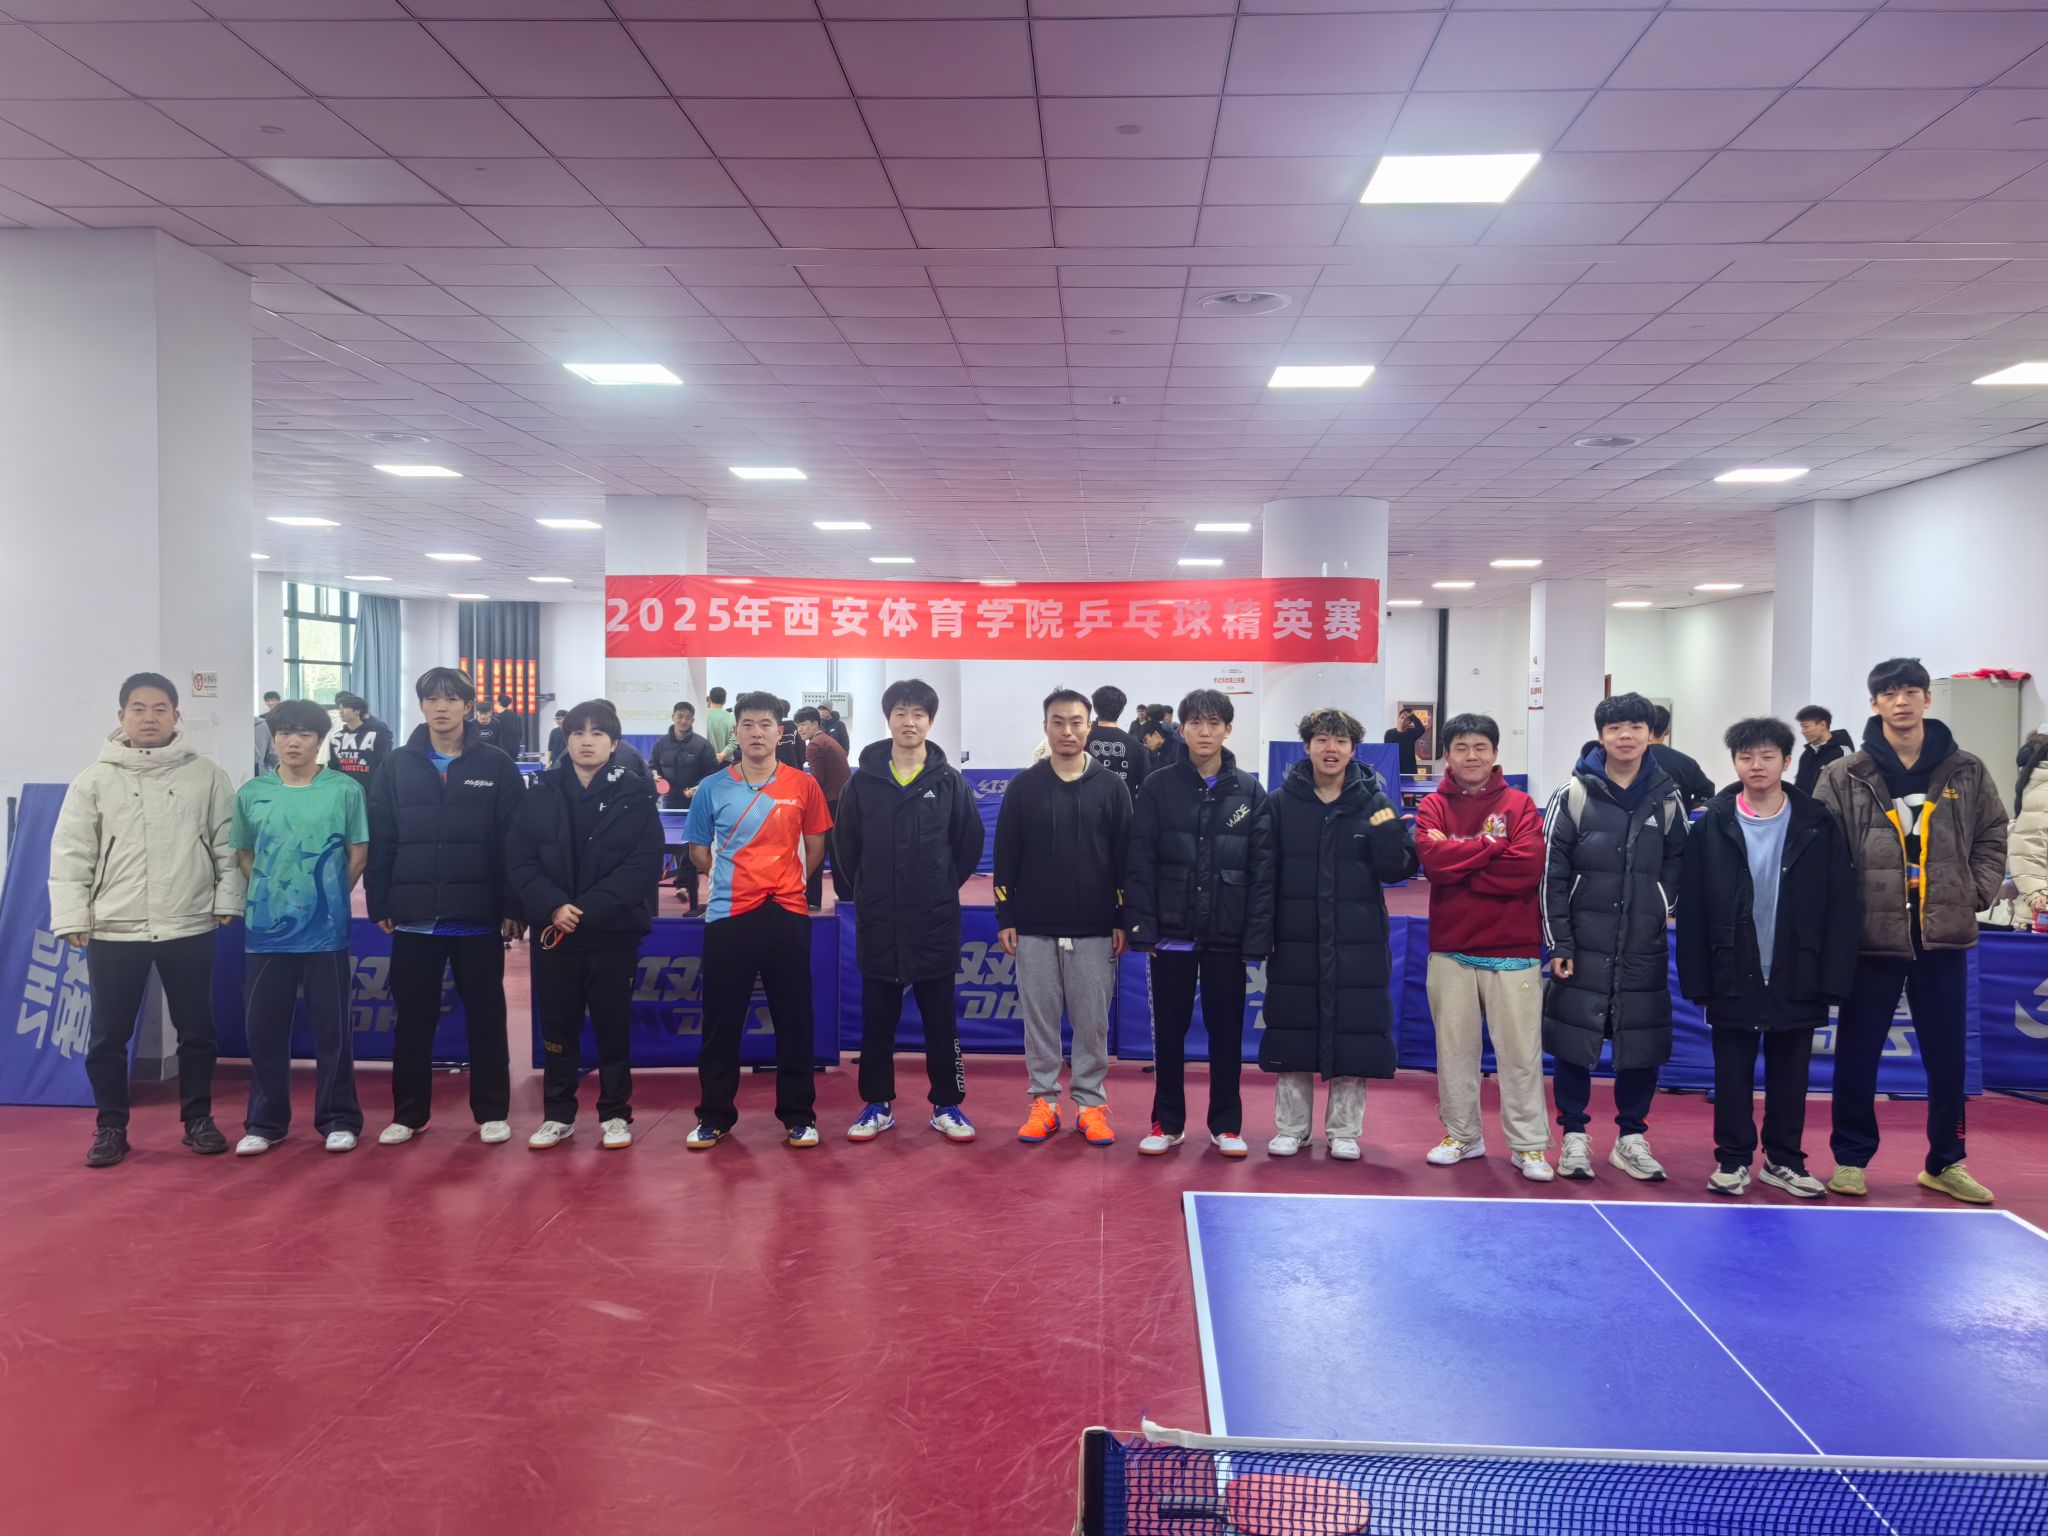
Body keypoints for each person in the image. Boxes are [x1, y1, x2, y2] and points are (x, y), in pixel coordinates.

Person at [1814, 658, 2009, 1204]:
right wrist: (1844, 912)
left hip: (1942, 933)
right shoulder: (1845, 773)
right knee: (1858, 1054)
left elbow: (1993, 832)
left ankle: (1946, 1161)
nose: (1900, 701)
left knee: (1947, 1057)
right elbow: (1823, 848)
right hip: (1870, 936)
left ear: (1927, 699)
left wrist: (1973, 891)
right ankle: (1851, 1159)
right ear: (1874, 703)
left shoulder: (1966, 769)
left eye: (1910, 692)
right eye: (1889, 693)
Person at [53, 672, 244, 1169]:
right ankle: (110, 1127)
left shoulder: (207, 775)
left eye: (160, 709)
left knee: (197, 1030)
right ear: (122, 717)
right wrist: (72, 914)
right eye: (138, 709)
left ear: (177, 716)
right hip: (115, 926)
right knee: (108, 1035)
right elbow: (72, 853)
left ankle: (198, 1120)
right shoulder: (94, 780)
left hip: (188, 921)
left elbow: (228, 844)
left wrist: (228, 898)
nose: (149, 717)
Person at [1678, 717, 1858, 1199]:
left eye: (1767, 756)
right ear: (1734, 763)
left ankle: (1784, 1159)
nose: (1756, 765)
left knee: (1791, 1074)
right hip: (1731, 963)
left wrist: (1834, 976)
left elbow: (1840, 902)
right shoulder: (1712, 822)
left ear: (1787, 761)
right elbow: (1692, 905)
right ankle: (1733, 1159)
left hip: (1798, 963)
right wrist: (1696, 977)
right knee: (1731, 1072)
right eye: (1746, 757)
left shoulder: (1817, 822)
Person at [365, 667, 525, 1147]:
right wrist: (379, 899)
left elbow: (515, 841)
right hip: (415, 916)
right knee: (413, 1020)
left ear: (467, 706)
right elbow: (381, 838)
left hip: (477, 916)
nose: (441, 707)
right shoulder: (396, 765)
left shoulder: (496, 764)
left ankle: (492, 1111)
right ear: (421, 706)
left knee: (486, 1017)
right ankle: (409, 1114)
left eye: (451, 699)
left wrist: (513, 904)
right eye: (432, 699)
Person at [1542, 692, 1688, 1182]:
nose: (1626, 736)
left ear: (1652, 734)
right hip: (1582, 945)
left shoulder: (1667, 797)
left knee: (1641, 1042)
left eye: (1636, 727)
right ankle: (1574, 1135)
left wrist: (1661, 904)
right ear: (1601, 735)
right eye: (1615, 728)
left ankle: (1631, 1137)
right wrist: (1559, 943)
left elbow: (1680, 859)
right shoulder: (1572, 794)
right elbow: (1551, 875)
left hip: (1643, 943)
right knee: (1573, 1040)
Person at [506, 699, 663, 1152]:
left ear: (614, 743)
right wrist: (553, 905)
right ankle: (558, 1115)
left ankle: (615, 1114)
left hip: (613, 932)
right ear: (566, 740)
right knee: (557, 1028)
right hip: (555, 932)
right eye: (578, 733)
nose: (586, 741)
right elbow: (519, 859)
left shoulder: (635, 795)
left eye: (597, 733)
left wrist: (586, 909)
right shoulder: (539, 792)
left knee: (612, 1026)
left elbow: (642, 865)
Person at [834, 678, 985, 1144]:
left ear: (930, 721)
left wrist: (939, 886)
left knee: (941, 1021)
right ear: (888, 719)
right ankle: (876, 1104)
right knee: (877, 1021)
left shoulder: (949, 782)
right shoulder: (863, 782)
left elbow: (968, 843)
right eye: (900, 712)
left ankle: (948, 1104)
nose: (909, 722)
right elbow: (846, 846)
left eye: (918, 713)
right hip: (880, 918)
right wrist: (868, 891)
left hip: (933, 919)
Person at [1260, 707, 1415, 1160]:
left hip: (1358, 937)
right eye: (1322, 740)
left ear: (1353, 749)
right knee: (1293, 1027)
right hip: (1295, 934)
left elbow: (1397, 870)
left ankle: (1344, 1130)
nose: (1331, 749)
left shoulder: (1375, 802)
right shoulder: (1280, 803)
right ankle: (1292, 1128)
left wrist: (1392, 836)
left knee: (1355, 1029)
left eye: (1341, 741)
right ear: (1307, 747)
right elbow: (1264, 873)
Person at [1125, 688, 1272, 1159]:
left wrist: (1256, 936)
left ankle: (1226, 1124)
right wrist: (1143, 927)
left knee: (1226, 1034)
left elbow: (1262, 870)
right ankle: (1166, 1122)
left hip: (1227, 934)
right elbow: (1140, 860)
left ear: (1228, 729)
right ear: (1181, 728)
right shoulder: (1158, 786)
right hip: (1171, 934)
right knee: (1168, 1033)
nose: (1204, 732)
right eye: (1195, 723)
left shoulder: (1249, 790)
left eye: (1214, 723)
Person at [683, 690, 833, 1149]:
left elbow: (815, 847)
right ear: (736, 731)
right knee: (721, 1020)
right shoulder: (712, 787)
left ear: (779, 731)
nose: (756, 732)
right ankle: (714, 1115)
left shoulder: (803, 785)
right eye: (747, 724)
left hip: (787, 913)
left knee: (794, 1018)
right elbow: (698, 851)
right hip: (729, 914)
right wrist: (735, 877)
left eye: (765, 724)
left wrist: (784, 881)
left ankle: (798, 1116)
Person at [1413, 712, 1552, 1180]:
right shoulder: (1433, 805)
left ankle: (1528, 1145)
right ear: (1447, 755)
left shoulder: (1519, 804)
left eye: (1480, 748)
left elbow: (1526, 869)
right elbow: (1434, 864)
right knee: (1454, 1051)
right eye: (1461, 748)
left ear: (1494, 754)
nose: (1471, 756)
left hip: (1514, 948)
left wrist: (1461, 862)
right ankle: (1463, 1135)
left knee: (1521, 1054)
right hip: (1450, 948)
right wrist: (1492, 847)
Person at [230, 699, 370, 1156]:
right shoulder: (252, 793)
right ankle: (265, 1123)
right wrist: (274, 895)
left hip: (326, 933)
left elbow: (357, 855)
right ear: (274, 738)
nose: (293, 742)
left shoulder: (345, 790)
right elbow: (244, 855)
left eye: (305, 734)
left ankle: (338, 1118)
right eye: (285, 733)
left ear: (319, 740)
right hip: (265, 932)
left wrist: (324, 901)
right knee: (265, 1030)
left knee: (333, 1031)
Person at [999, 688, 1132, 1146]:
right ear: (1046, 727)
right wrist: (1005, 914)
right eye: (1058, 722)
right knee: (1039, 1022)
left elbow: (1126, 859)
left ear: (1089, 727)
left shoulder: (1111, 788)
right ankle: (1044, 1102)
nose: (1067, 731)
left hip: (1095, 929)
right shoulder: (1024, 787)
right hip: (1033, 926)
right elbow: (1005, 855)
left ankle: (1091, 1105)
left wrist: (1121, 918)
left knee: (1092, 1024)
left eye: (1076, 722)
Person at [650, 700, 719, 914]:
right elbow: (652, 766)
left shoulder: (701, 745)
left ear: (693, 720)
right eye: (680, 716)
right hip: (670, 804)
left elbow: (712, 773)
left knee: (690, 845)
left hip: (695, 804)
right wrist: (654, 775)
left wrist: (699, 787)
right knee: (669, 844)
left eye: (688, 718)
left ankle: (685, 884)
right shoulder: (661, 744)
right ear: (673, 717)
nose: (683, 721)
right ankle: (681, 883)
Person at [794, 706, 851, 911]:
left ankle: (812, 898)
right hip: (841, 801)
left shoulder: (814, 745)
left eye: (803, 724)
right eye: (798, 725)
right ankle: (846, 896)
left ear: (815, 724)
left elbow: (818, 781)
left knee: (816, 850)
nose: (800, 729)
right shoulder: (827, 740)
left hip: (830, 803)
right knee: (837, 852)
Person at [1084, 684, 1149, 798]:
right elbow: (1146, 784)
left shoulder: (1080, 740)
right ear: (1122, 710)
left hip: (1083, 807)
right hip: (1124, 808)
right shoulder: (1137, 746)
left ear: (1094, 707)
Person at [1648, 704, 1716, 813]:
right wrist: (1687, 808)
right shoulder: (1687, 763)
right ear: (1667, 731)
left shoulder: (1629, 761)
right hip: (1676, 821)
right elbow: (1707, 792)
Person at [2012, 730, 2048, 928]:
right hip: (2041, 916)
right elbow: (2028, 848)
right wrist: (2037, 895)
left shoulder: (2036, 790)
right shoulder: (2043, 793)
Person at [328, 690, 394, 789]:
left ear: (357, 710)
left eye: (345, 707)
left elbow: (383, 760)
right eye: (340, 708)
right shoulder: (338, 737)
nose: (341, 711)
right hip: (344, 788)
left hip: (371, 787)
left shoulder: (378, 729)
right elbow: (333, 765)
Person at [1793, 705, 1855, 797]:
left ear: (1823, 725)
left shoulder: (1842, 753)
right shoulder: (1807, 754)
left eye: (1806, 726)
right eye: (1802, 727)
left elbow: (1846, 791)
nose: (1803, 731)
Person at [470, 692, 519, 756]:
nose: (483, 716)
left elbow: (500, 743)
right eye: (481, 713)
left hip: (493, 755)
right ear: (477, 713)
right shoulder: (471, 725)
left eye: (485, 713)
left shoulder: (496, 724)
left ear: (490, 713)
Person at [1383, 708, 1428, 778]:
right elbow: (1387, 752)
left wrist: (1412, 715)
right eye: (1402, 717)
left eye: (1406, 719)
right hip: (1394, 770)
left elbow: (1421, 729)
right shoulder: (1389, 733)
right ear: (1398, 718)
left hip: (1409, 771)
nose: (1403, 720)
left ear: (1410, 722)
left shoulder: (1411, 733)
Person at [701, 686, 736, 761]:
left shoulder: (701, 715)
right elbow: (734, 741)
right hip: (726, 761)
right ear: (725, 701)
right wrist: (722, 755)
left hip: (704, 760)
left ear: (709, 699)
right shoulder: (731, 718)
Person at [254, 690, 281, 777]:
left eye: (273, 700)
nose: (271, 703)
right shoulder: (262, 719)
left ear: (278, 701)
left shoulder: (284, 716)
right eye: (268, 700)